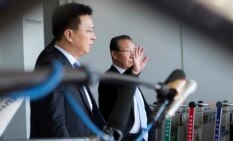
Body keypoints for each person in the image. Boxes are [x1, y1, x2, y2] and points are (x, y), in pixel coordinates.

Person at [30, 3, 105, 138]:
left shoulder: (70, 64)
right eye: (89, 31)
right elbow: (54, 124)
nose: (94, 37)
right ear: (69, 35)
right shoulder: (50, 65)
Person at [98, 35, 155, 141]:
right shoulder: (109, 78)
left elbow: (145, 113)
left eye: (134, 51)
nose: (133, 55)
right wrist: (134, 72)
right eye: (128, 51)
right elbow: (122, 91)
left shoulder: (131, 79)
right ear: (114, 54)